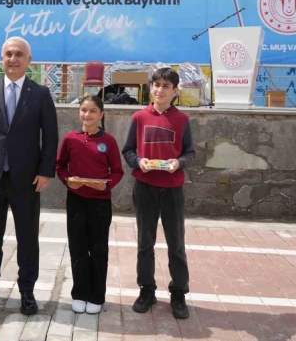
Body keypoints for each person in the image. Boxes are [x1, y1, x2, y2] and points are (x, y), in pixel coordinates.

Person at [0, 36, 59, 316]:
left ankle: (27, 291)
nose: (13, 59)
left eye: (19, 54)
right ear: (1, 58)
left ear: (29, 60)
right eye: (8, 54)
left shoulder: (40, 93)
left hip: (27, 179)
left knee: (27, 237)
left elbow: (50, 136)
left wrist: (45, 171)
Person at [121, 67, 195, 319]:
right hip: (145, 187)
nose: (160, 90)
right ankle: (147, 290)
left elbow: (190, 152)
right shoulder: (139, 117)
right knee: (145, 242)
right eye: (156, 85)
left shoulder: (182, 120)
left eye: (166, 86)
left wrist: (179, 163)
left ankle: (178, 292)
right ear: (150, 87)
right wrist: (138, 161)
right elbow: (128, 150)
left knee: (176, 243)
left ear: (175, 91)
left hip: (172, 189)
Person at [55, 95, 124, 315]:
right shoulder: (71, 139)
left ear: (101, 114)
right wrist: (68, 181)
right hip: (76, 200)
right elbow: (60, 166)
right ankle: (80, 293)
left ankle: (97, 296)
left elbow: (118, 171)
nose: (87, 115)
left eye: (93, 111)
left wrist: (106, 185)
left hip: (100, 203)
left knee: (98, 248)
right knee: (77, 247)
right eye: (84, 110)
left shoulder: (109, 141)